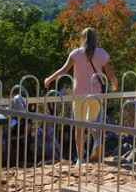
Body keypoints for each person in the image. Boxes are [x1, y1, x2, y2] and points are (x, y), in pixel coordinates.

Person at [44, 28, 118, 163]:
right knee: (95, 123)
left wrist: (50, 79)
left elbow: (64, 70)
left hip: (79, 95)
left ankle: (80, 158)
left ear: (82, 38)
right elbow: (110, 74)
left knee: (79, 127)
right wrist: (115, 84)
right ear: (95, 39)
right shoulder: (102, 54)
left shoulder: (76, 54)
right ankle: (97, 143)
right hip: (96, 95)